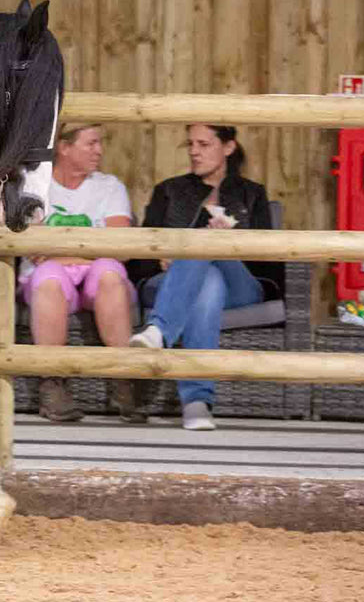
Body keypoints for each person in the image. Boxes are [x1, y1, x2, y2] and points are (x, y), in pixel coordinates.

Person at [129, 124, 283, 431]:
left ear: (228, 147)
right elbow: (141, 252)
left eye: (203, 144)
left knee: (206, 247)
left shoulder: (252, 194)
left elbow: (269, 263)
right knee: (208, 282)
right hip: (170, 281)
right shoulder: (169, 190)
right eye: (190, 144)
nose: (194, 151)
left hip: (240, 283)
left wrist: (231, 245)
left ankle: (159, 329)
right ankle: (197, 403)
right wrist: (159, 256)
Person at [19, 123, 142, 423]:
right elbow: (34, 248)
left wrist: (58, 249)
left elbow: (120, 247)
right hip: (48, 276)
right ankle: (53, 386)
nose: (99, 151)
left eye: (100, 143)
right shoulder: (35, 187)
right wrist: (92, 248)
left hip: (96, 278)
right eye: (91, 143)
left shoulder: (109, 187)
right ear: (63, 147)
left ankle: (122, 380)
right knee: (48, 277)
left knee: (110, 273)